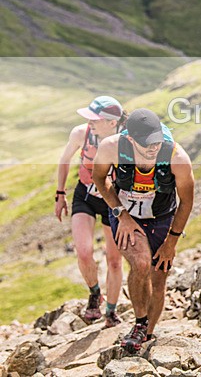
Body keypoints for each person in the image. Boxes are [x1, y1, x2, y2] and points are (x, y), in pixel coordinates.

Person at [92, 108, 194, 354]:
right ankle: (139, 324)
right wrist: (121, 215)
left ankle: (147, 334)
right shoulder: (111, 147)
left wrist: (171, 242)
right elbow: (100, 179)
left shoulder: (177, 157)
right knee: (140, 263)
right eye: (146, 144)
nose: (153, 148)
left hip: (162, 216)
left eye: (157, 142)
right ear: (129, 138)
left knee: (158, 278)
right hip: (126, 215)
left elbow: (187, 201)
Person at [55, 96, 126, 327]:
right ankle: (95, 293)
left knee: (114, 260)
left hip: (112, 201)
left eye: (95, 119)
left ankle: (111, 311)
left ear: (112, 123)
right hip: (84, 194)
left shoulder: (124, 141)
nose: (89, 122)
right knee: (84, 252)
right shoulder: (80, 133)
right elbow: (64, 160)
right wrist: (60, 193)